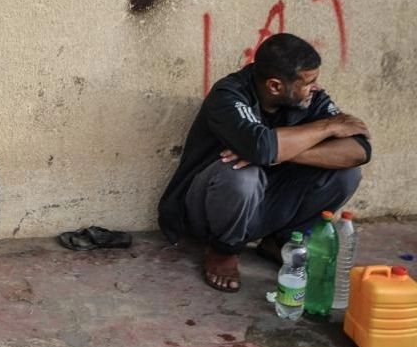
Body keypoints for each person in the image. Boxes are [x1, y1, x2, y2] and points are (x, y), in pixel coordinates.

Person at [157, 33, 371, 293]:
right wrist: (326, 128)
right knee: (242, 173)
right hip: (208, 209)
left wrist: (285, 152)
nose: (315, 87)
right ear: (275, 86)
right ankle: (222, 250)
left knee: (346, 174)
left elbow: (359, 149)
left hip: (264, 203)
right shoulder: (228, 95)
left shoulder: (309, 99)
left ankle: (279, 241)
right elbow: (261, 148)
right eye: (308, 82)